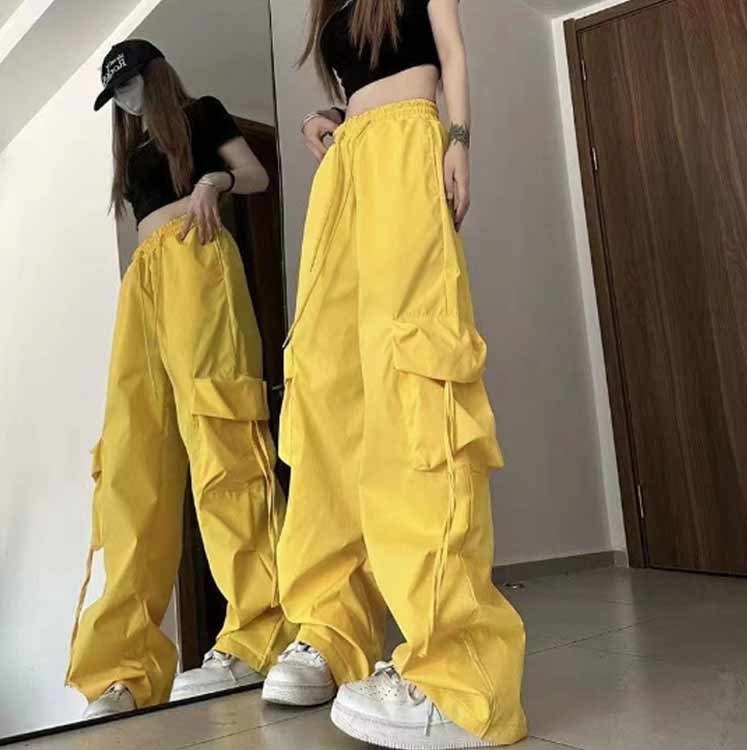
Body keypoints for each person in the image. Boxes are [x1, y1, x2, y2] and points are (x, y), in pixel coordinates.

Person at [261, 1, 527, 748]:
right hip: (347, 167)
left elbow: (452, 53)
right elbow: (360, 80)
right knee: (328, 387)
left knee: (417, 375)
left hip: (412, 144)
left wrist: (460, 140)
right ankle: (334, 628)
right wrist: (329, 119)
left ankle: (462, 675)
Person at [65, 39, 295, 720]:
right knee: (131, 460)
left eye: (130, 86)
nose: (126, 102)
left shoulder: (203, 115)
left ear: (154, 76)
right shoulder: (133, 149)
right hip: (143, 283)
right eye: (117, 96)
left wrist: (211, 181)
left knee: (222, 441)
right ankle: (125, 667)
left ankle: (261, 632)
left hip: (198, 262)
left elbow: (254, 175)